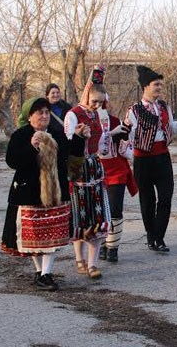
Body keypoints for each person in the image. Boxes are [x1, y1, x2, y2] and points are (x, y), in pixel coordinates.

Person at [1, 98, 73, 291]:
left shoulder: (57, 134)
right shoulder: (21, 135)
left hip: (54, 194)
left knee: (53, 235)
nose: (44, 116)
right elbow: (13, 161)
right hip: (29, 193)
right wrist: (31, 147)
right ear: (29, 116)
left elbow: (69, 156)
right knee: (34, 236)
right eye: (39, 112)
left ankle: (46, 273)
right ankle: (40, 272)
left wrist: (80, 138)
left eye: (47, 112)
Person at [126, 65, 177, 252]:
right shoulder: (134, 111)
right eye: (156, 84)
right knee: (147, 199)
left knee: (166, 197)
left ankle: (159, 236)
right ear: (145, 87)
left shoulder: (164, 106)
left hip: (162, 157)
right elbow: (128, 135)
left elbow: (171, 128)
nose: (159, 87)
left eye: (160, 84)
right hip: (143, 159)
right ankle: (152, 237)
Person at [64, 67, 115, 279]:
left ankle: (93, 264)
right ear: (86, 95)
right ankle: (79, 258)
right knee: (79, 213)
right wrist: (78, 136)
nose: (96, 105)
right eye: (94, 101)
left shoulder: (98, 115)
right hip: (78, 168)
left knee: (97, 213)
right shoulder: (73, 115)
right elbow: (67, 142)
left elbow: (102, 142)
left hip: (94, 167)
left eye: (100, 102)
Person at [97, 103, 137, 263]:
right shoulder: (86, 121)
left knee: (115, 209)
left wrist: (125, 136)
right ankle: (101, 244)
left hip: (116, 170)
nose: (99, 106)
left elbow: (127, 152)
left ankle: (113, 247)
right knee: (99, 210)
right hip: (97, 170)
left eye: (102, 103)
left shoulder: (116, 121)